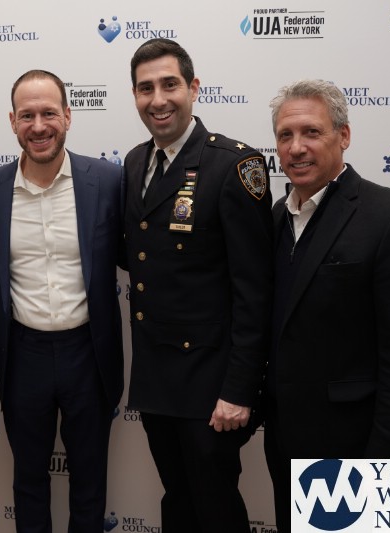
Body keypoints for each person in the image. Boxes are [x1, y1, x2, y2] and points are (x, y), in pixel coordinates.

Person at [264, 79, 390, 532]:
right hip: (285, 443)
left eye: (311, 132)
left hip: (356, 450)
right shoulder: (274, 218)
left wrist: (385, 468)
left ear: (343, 136)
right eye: (285, 135)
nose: (296, 148)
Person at [123, 39, 273, 533]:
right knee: (178, 503)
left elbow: (254, 291)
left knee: (215, 508)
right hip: (156, 377)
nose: (158, 99)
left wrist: (239, 389)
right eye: (145, 88)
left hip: (211, 385)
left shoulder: (234, 166)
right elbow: (142, 255)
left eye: (169, 84)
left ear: (193, 88)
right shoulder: (135, 162)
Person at [0, 70, 124, 533]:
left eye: (49, 113)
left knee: (90, 480)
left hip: (88, 353)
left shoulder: (108, 180)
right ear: (12, 121)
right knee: (28, 480)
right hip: (23, 356)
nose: (39, 126)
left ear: (68, 116)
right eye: (27, 115)